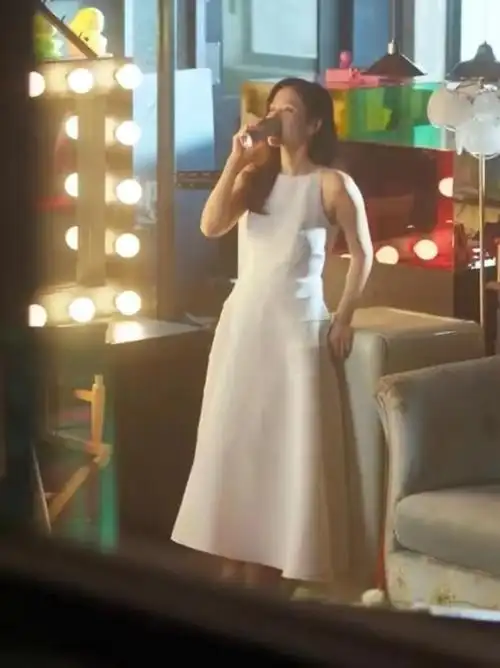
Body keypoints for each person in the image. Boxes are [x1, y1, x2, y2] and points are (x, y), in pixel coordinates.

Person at [172, 78, 373, 592]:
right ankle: (232, 561)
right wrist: (235, 161)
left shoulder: (332, 184)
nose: (277, 117)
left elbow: (362, 253)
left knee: (285, 444)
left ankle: (272, 565)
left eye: (290, 110)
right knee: (235, 439)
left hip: (295, 326)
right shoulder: (256, 178)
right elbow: (210, 226)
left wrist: (344, 315)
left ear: (314, 123)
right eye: (274, 108)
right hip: (244, 323)